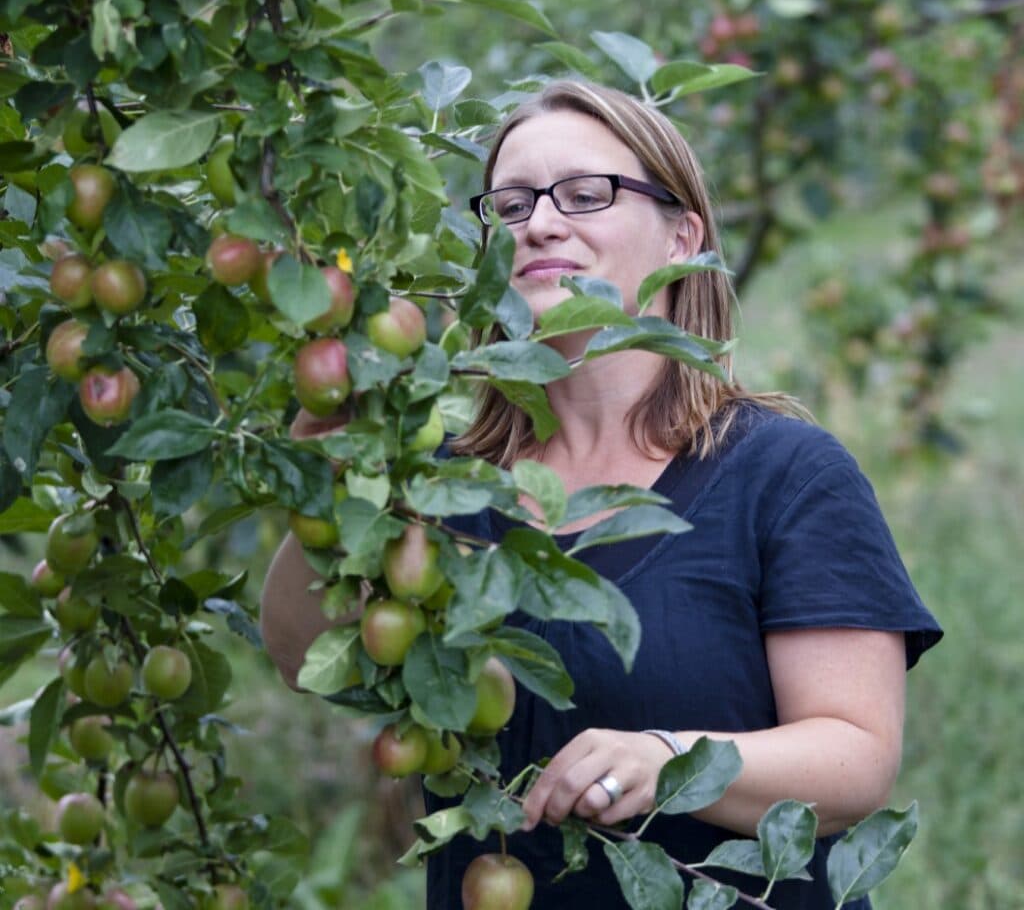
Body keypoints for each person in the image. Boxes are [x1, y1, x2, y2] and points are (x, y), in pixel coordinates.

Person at [260, 79, 942, 909]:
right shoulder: (438, 485)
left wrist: (667, 761)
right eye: (509, 206)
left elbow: (856, 760)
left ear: (681, 234)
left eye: (586, 195)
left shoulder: (784, 475)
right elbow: (305, 658)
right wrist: (329, 478)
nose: (540, 223)